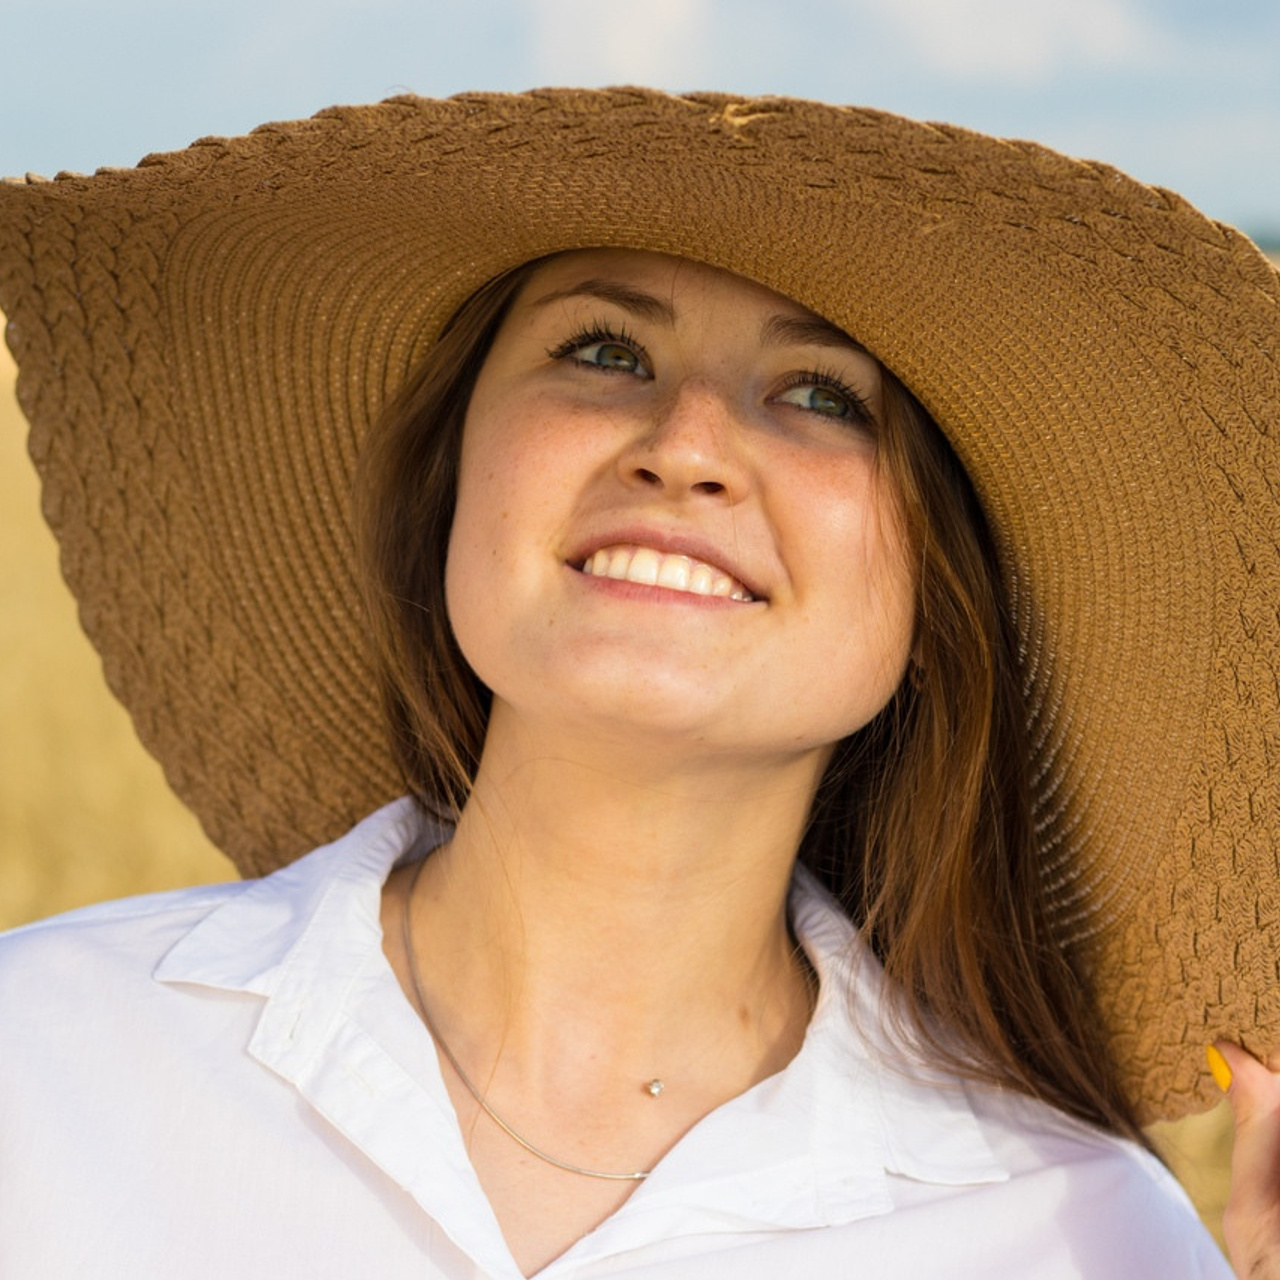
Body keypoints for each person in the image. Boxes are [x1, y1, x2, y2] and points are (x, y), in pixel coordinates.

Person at [0, 89, 1275, 1278]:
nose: (685, 447)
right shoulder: (40, 1060)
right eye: (605, 352)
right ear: (451, 486)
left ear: (941, 607)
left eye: (823, 394)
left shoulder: (1086, 1238)